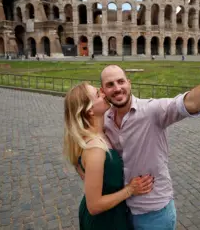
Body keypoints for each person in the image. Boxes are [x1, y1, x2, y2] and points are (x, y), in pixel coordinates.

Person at [80, 53, 200, 229]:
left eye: (121, 81)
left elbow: (189, 103)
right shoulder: (105, 119)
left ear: (129, 83)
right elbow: (79, 139)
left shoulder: (152, 111)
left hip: (154, 214)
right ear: (103, 91)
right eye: (110, 85)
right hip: (122, 211)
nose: (117, 88)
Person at [63, 82, 154, 229]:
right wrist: (130, 190)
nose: (104, 94)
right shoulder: (95, 149)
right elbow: (94, 205)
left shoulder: (99, 134)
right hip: (105, 221)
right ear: (90, 110)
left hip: (112, 214)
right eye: (98, 95)